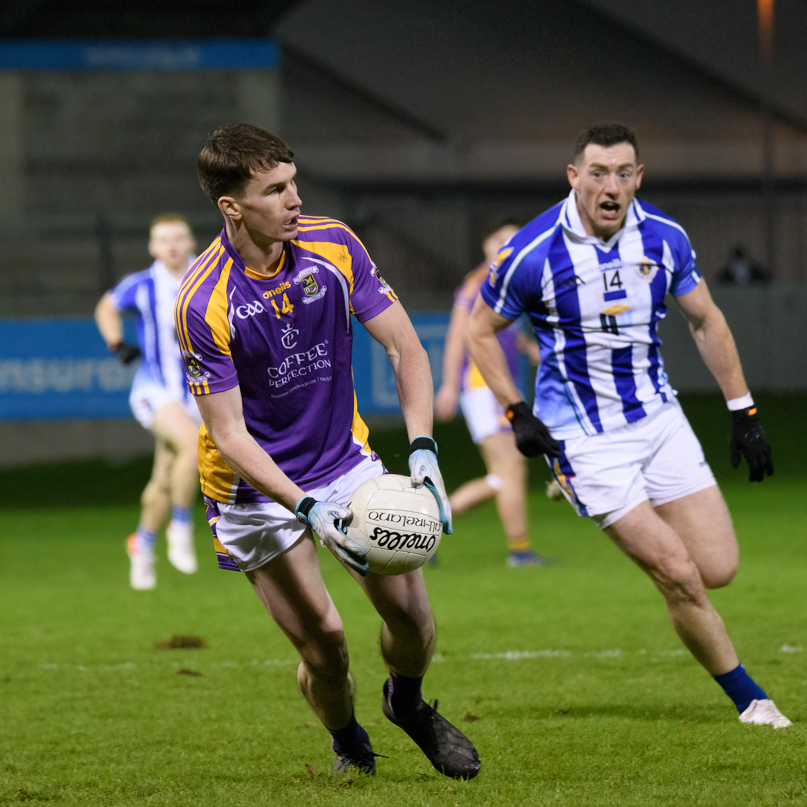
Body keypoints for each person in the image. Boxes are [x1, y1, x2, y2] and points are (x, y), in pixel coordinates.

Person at [175, 123, 480, 777]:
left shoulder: (332, 244)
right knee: (326, 645)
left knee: (413, 620)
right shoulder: (202, 301)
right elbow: (230, 435)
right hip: (252, 489)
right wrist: (305, 508)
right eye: (275, 189)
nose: (294, 199)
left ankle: (406, 701)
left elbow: (404, 348)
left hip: (342, 461)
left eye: (293, 182)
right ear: (231, 206)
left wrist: (422, 449)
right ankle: (347, 740)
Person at [467, 122, 790, 729]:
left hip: (659, 419)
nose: (611, 186)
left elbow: (706, 321)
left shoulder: (665, 238)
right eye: (598, 173)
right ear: (575, 178)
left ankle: (573, 489)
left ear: (638, 177)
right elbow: (479, 330)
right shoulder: (532, 251)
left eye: (623, 173)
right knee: (678, 574)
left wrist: (743, 410)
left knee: (718, 567)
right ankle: (752, 700)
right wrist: (517, 411)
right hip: (584, 439)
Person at [435, 218, 557, 566]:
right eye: (502, 237)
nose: (508, 243)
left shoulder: (504, 282)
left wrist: (526, 346)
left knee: (500, 477)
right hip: (483, 388)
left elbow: (498, 332)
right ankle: (519, 551)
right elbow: (461, 334)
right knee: (510, 471)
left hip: (496, 387)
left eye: (514, 239)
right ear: (487, 243)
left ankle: (425, 525)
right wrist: (448, 384)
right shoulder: (477, 283)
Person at [95, 214, 201, 590]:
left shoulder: (210, 278)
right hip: (153, 388)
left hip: (197, 392)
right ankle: (182, 527)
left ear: (190, 242)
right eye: (163, 239)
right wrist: (116, 343)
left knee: (163, 478)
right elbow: (106, 308)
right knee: (194, 447)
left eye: (178, 238)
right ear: (152, 247)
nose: (171, 245)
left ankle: (142, 543)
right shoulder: (141, 285)